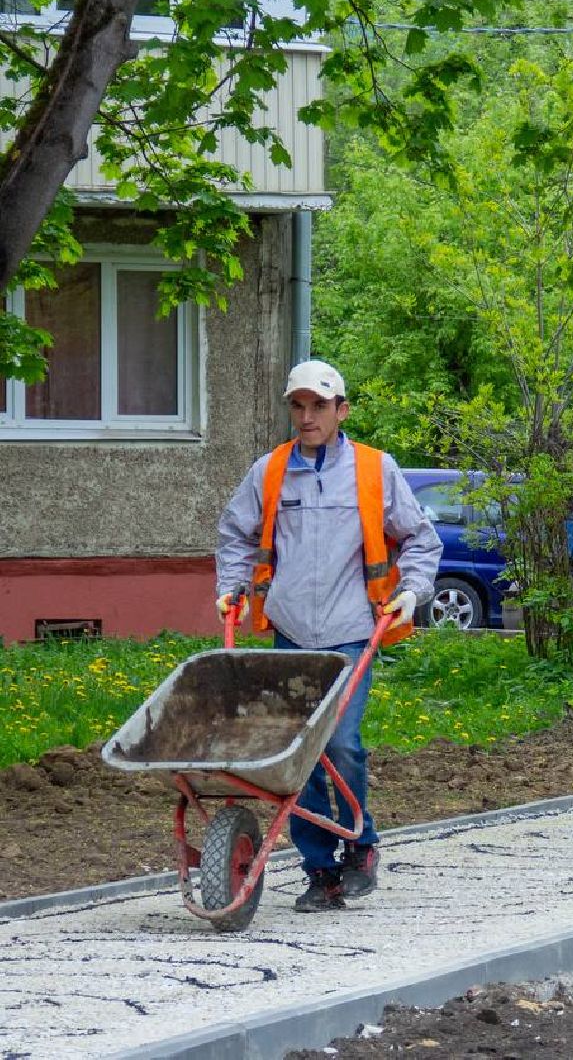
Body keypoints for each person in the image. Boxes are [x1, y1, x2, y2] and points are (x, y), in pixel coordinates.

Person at [215, 359, 442, 912]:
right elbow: (235, 534)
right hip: (292, 632)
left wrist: (413, 591)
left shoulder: (375, 469)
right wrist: (231, 587)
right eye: (298, 406)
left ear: (342, 410)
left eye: (319, 406)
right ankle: (320, 870)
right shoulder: (270, 471)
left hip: (351, 631)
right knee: (299, 754)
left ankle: (361, 845)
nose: (307, 416)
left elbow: (421, 537)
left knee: (339, 744)